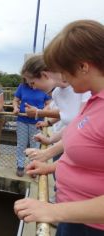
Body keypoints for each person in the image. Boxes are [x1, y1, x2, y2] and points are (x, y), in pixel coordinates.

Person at [14, 20, 104, 235]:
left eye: (64, 70)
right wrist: (53, 167)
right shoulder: (93, 100)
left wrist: (54, 212)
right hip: (75, 218)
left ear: (83, 66)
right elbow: (87, 151)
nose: (60, 78)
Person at [12, 70, 51, 177]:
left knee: (35, 144)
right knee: (21, 144)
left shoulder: (43, 87)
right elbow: (15, 100)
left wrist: (41, 112)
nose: (31, 83)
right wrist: (15, 108)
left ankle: (33, 166)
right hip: (22, 120)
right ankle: (20, 165)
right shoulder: (22, 86)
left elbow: (49, 103)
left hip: (37, 121)